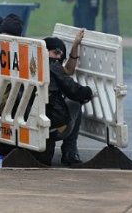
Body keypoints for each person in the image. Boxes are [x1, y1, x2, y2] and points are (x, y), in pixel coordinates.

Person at [38, 37, 93, 166]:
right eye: (55, 53)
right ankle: (70, 150)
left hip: (25, 124)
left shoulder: (31, 64)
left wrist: (74, 46)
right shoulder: (52, 67)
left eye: (60, 55)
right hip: (49, 127)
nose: (58, 58)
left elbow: (67, 71)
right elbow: (75, 91)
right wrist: (90, 92)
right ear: (45, 51)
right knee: (75, 102)